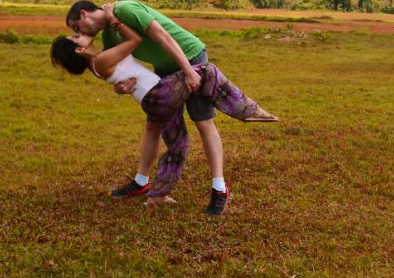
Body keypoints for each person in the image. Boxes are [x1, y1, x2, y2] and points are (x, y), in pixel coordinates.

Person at [50, 21, 277, 215]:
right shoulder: (101, 60)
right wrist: (115, 21)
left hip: (153, 103)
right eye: (75, 38)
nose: (79, 34)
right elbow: (134, 41)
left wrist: (118, 86)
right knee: (206, 71)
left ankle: (157, 196)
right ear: (78, 51)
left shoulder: (97, 62)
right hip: (159, 95)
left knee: (179, 145)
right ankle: (247, 110)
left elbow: (119, 71)